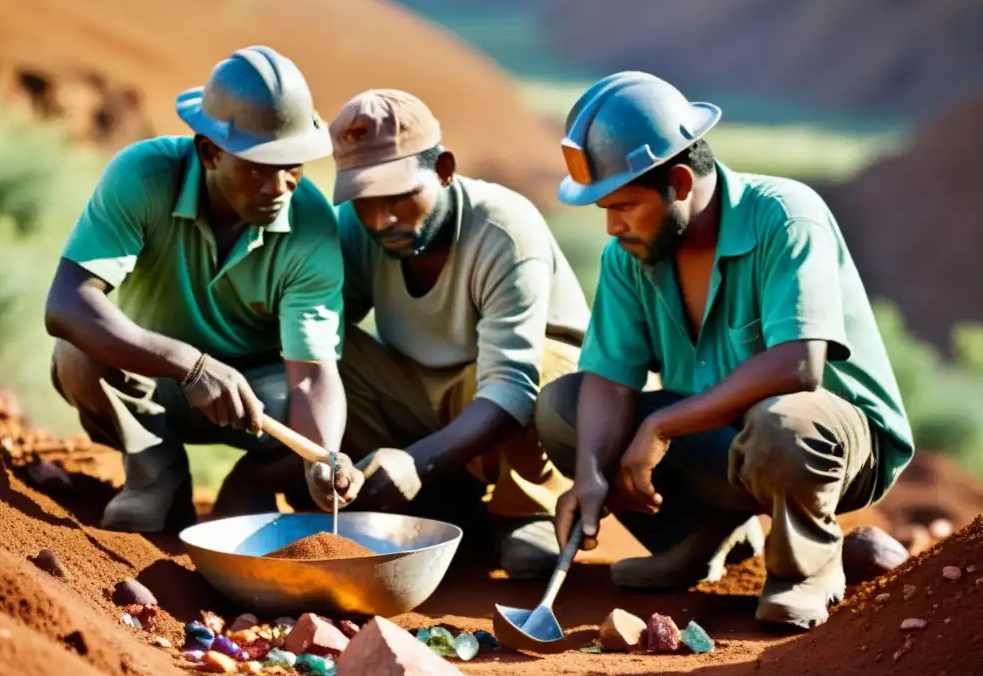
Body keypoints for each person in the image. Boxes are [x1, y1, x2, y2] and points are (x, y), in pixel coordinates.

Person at [534, 71, 914, 628]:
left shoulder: (785, 216)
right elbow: (611, 379)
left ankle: (805, 569)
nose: (613, 227)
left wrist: (660, 427)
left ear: (681, 183)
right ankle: (701, 537)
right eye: (604, 211)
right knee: (564, 411)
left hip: (830, 443)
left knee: (781, 422)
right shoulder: (631, 254)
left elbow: (799, 364)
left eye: (624, 205)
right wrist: (589, 474)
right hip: (723, 440)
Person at [44, 46, 364, 533]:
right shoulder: (144, 176)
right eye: (261, 165)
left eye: (293, 164)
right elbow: (66, 304)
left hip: (254, 404)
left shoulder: (312, 225)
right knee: (76, 352)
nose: (281, 185)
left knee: (322, 401)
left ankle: (251, 484)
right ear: (210, 152)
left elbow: (310, 376)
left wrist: (322, 457)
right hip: (148, 379)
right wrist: (189, 365)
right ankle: (156, 472)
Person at [327, 88, 592, 579]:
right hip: (425, 395)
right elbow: (318, 342)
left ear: (444, 169)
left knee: (546, 371)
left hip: (517, 406)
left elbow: (512, 383)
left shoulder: (503, 226)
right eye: (363, 200)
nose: (380, 220)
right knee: (323, 351)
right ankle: (450, 506)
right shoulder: (358, 228)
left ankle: (527, 509)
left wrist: (416, 461)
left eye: (398, 196)